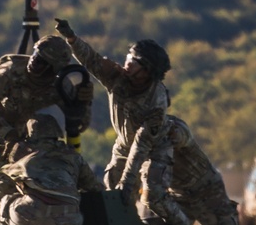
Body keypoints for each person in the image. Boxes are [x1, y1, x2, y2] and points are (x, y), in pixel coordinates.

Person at [0, 35, 86, 225]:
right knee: (3, 179)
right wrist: (9, 136)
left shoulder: (58, 85)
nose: (33, 63)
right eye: (35, 55)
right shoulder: (9, 72)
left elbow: (78, 123)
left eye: (41, 62)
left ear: (52, 69)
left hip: (19, 135)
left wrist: (81, 105)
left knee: (27, 180)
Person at [53, 19, 170, 187]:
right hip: (124, 147)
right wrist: (72, 38)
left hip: (153, 150)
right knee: (113, 190)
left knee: (155, 196)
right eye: (129, 56)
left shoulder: (156, 100)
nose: (128, 62)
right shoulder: (117, 78)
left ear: (147, 71)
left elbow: (142, 145)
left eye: (135, 61)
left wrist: (127, 184)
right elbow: (92, 60)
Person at [121, 115, 240, 225]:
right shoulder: (133, 138)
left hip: (208, 191)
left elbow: (179, 137)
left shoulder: (172, 127)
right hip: (178, 195)